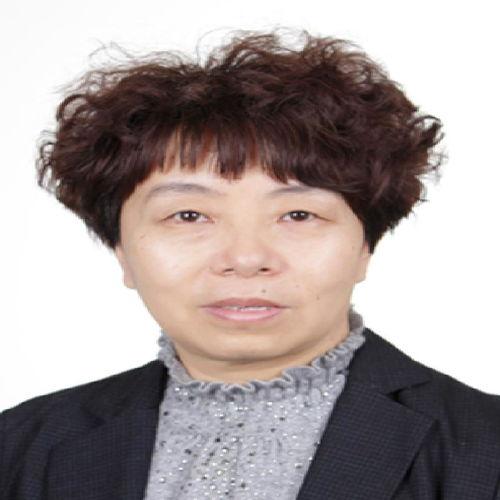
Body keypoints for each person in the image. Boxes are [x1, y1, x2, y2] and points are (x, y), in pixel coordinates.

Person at [1, 28, 499, 500]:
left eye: (298, 215)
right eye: (189, 215)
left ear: (366, 245)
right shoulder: (20, 448)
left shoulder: (485, 449)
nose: (245, 259)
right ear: (121, 250)